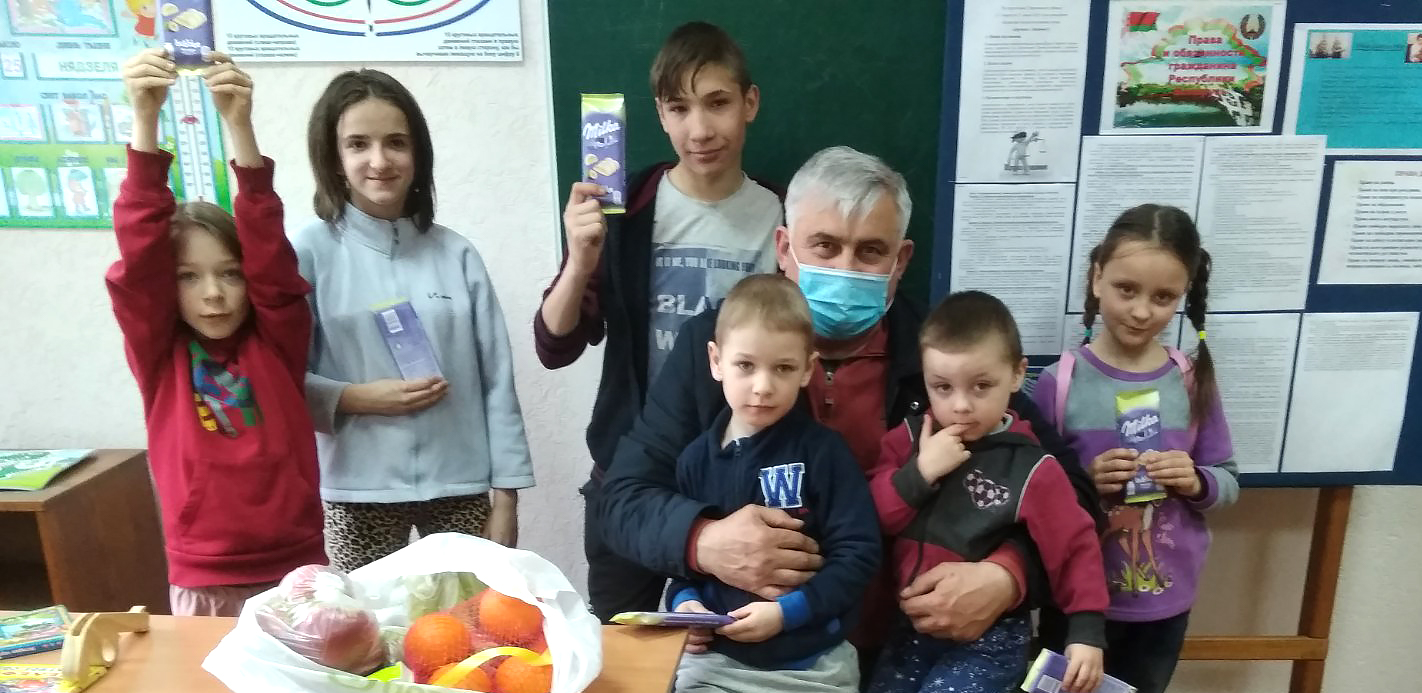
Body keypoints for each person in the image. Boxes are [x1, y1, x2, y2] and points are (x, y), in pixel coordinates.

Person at [597, 145, 1101, 668]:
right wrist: (702, 541)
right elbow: (623, 498)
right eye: (824, 246)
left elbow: (1077, 499)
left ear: (900, 260)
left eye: (869, 252)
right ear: (784, 248)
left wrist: (1008, 576)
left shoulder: (945, 358)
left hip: (907, 651)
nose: (844, 268)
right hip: (751, 658)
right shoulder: (720, 346)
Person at [534, 21, 782, 621]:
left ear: (749, 103)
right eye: (680, 108)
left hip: (736, 481)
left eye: (718, 103)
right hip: (632, 479)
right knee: (625, 657)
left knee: (724, 658)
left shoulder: (783, 214)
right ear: (661, 115)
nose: (700, 130)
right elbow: (554, 345)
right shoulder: (625, 208)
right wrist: (580, 260)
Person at [107, 48, 325, 615]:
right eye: (189, 277)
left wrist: (238, 124)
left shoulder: (276, 340)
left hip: (295, 567)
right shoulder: (160, 353)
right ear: (166, 287)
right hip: (203, 575)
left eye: (230, 274)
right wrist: (146, 121)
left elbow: (272, 261)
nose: (213, 293)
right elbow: (138, 261)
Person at [293, 69, 533, 572]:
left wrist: (506, 497)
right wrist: (353, 398)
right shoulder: (308, 254)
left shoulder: (458, 254)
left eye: (396, 143)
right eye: (358, 144)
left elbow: (497, 383)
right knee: (371, 635)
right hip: (359, 489)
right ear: (333, 159)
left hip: (460, 484)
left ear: (417, 154)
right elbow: (280, 379)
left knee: (468, 630)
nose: (379, 161)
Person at [1032, 204, 1240, 693]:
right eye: (1127, 289)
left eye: (1164, 296)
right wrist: (1086, 479)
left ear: (1183, 297)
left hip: (1163, 607)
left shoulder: (1190, 382)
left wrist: (1195, 480)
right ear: (1097, 277)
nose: (1143, 310)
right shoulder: (1058, 383)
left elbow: (1228, 479)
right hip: (1077, 605)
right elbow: (1031, 490)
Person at [866, 291, 1105, 693]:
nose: (960, 406)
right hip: (909, 628)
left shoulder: (1034, 468)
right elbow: (875, 517)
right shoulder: (905, 440)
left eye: (981, 386)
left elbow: (1075, 546)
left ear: (1016, 375)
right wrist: (920, 472)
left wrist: (1086, 631)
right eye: (942, 387)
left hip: (990, 639)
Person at [668, 273, 879, 691]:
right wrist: (685, 606)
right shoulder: (693, 460)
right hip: (717, 666)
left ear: (807, 369)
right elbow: (683, 566)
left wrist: (788, 613)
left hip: (814, 666)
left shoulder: (824, 452)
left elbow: (859, 555)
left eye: (783, 368)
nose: (763, 387)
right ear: (715, 360)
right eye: (745, 365)